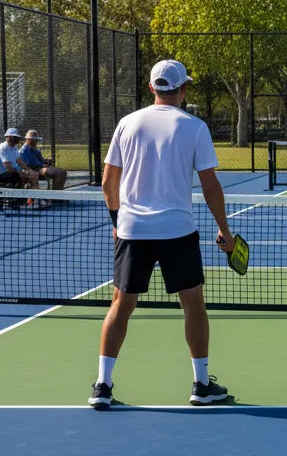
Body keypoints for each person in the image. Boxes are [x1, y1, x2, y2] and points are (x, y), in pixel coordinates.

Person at [89, 59, 235, 410]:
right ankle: (202, 385)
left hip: (132, 230)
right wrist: (225, 230)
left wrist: (117, 221)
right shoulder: (195, 127)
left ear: (152, 88)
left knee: (121, 305)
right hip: (177, 231)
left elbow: (108, 182)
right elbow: (211, 186)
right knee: (193, 304)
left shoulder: (127, 123)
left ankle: (102, 386)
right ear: (183, 89)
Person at [0, 128, 37, 193]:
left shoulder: (14, 147)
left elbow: (20, 162)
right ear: (7, 137)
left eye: (16, 137)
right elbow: (9, 168)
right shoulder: (4, 148)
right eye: (13, 137)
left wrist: (30, 171)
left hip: (6, 174)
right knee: (22, 175)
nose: (15, 139)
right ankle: (21, 196)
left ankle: (29, 196)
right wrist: (21, 172)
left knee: (30, 175)